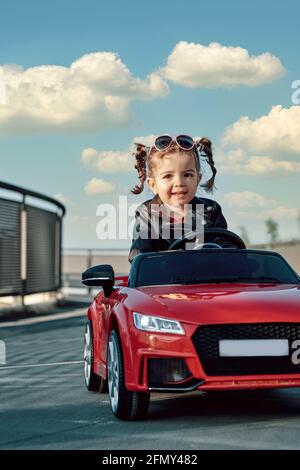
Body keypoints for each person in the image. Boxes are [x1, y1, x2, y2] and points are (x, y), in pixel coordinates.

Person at [128, 134, 228, 263]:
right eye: (168, 176)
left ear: (198, 179)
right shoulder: (146, 214)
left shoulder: (211, 211)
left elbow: (226, 248)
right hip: (164, 280)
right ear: (153, 185)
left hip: (206, 277)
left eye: (187, 175)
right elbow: (140, 257)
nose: (179, 182)